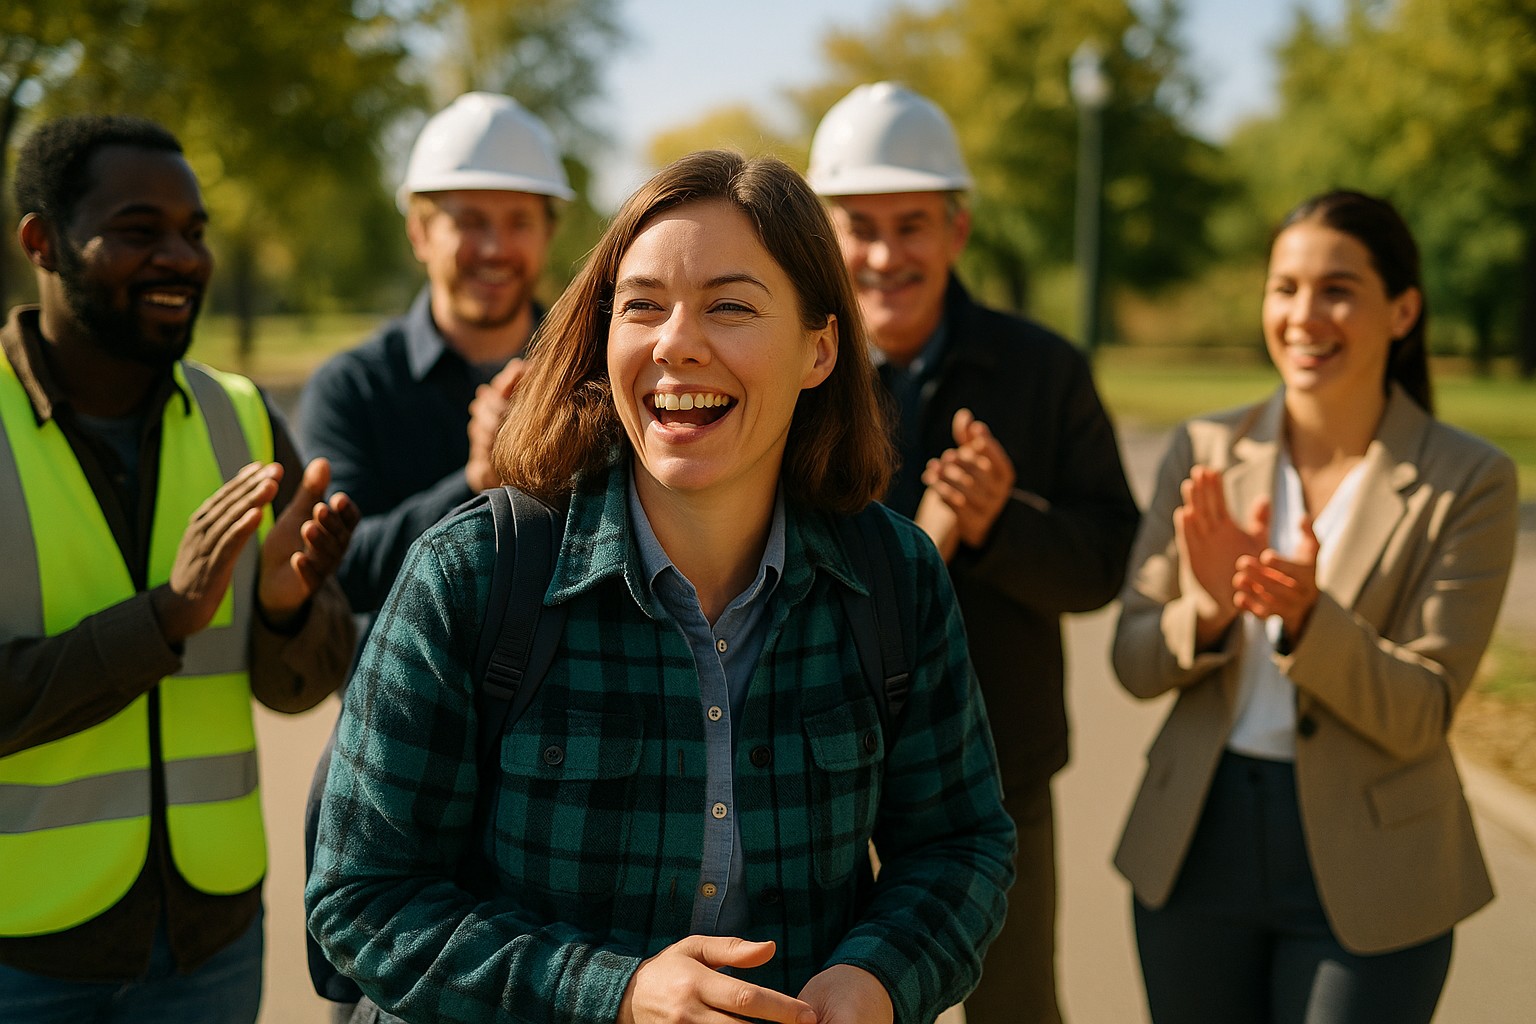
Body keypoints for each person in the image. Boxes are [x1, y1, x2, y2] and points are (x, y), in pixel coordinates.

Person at [306, 150, 1016, 1024]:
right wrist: (620, 994)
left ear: (820, 348)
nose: (677, 342)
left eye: (730, 306)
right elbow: (362, 897)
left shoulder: (895, 578)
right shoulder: (472, 572)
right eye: (642, 305)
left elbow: (960, 844)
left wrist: (879, 978)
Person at [1112, 190, 1518, 1024]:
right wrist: (1214, 610)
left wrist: (1308, 620)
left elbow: (1424, 710)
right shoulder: (1204, 451)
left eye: (1337, 288)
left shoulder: (1471, 479)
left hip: (1376, 869)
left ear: (1403, 310)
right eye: (1284, 287)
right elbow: (1134, 659)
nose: (1304, 315)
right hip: (1197, 843)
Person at [0, 114, 357, 1023]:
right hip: (21, 956)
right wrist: (164, 619)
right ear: (40, 240)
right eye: (138, 230)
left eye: (194, 233)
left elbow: (303, 686)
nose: (181, 258)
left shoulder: (241, 418)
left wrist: (284, 613)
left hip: (212, 943)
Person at [807, 81, 1140, 1024]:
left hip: (996, 766)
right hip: (805, 765)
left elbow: (1108, 558)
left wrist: (1001, 523)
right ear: (821, 235)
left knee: (1015, 1005)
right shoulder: (783, 368)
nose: (883, 254)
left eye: (911, 224)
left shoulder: (1044, 370)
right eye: (858, 225)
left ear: (957, 229)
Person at [298, 91, 572, 631]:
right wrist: (474, 484)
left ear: (548, 233)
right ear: (420, 233)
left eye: (519, 221)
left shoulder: (596, 377)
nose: (495, 248)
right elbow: (339, 571)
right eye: (469, 221)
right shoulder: (352, 387)